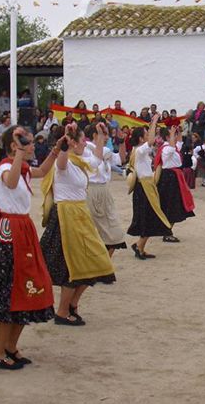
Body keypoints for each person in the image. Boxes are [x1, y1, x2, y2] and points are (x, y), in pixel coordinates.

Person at [0, 126, 60, 370]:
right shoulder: (6, 168)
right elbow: (11, 181)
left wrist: (57, 149)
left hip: (22, 231)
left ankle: (10, 346)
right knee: (9, 294)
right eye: (25, 142)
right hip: (9, 234)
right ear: (12, 147)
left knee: (26, 291)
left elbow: (41, 170)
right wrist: (18, 153)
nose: (30, 146)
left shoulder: (23, 167)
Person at [40, 125, 116, 326]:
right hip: (66, 217)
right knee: (72, 266)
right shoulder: (64, 162)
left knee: (96, 263)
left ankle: (72, 305)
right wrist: (63, 146)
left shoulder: (81, 161)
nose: (86, 143)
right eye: (83, 140)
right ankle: (63, 312)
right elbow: (62, 162)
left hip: (80, 215)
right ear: (73, 143)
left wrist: (100, 136)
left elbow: (98, 158)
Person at [127, 115, 173, 259]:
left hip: (145, 187)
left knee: (149, 217)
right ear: (141, 139)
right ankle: (139, 246)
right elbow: (152, 141)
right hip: (144, 189)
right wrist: (153, 122)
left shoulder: (139, 151)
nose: (148, 137)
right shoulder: (140, 151)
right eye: (146, 135)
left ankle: (140, 246)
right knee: (149, 217)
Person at [81, 124, 127, 257]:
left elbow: (120, 159)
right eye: (104, 134)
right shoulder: (85, 150)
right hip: (90, 189)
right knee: (93, 231)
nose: (107, 137)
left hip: (104, 191)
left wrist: (122, 142)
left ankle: (103, 264)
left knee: (113, 232)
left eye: (106, 134)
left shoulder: (105, 150)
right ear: (95, 135)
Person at [156, 126, 196, 241]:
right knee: (171, 205)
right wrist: (173, 134)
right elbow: (173, 147)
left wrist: (178, 132)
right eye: (171, 134)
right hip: (170, 177)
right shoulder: (165, 148)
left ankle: (167, 230)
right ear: (167, 137)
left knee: (174, 204)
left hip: (174, 176)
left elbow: (178, 143)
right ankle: (167, 232)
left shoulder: (170, 147)